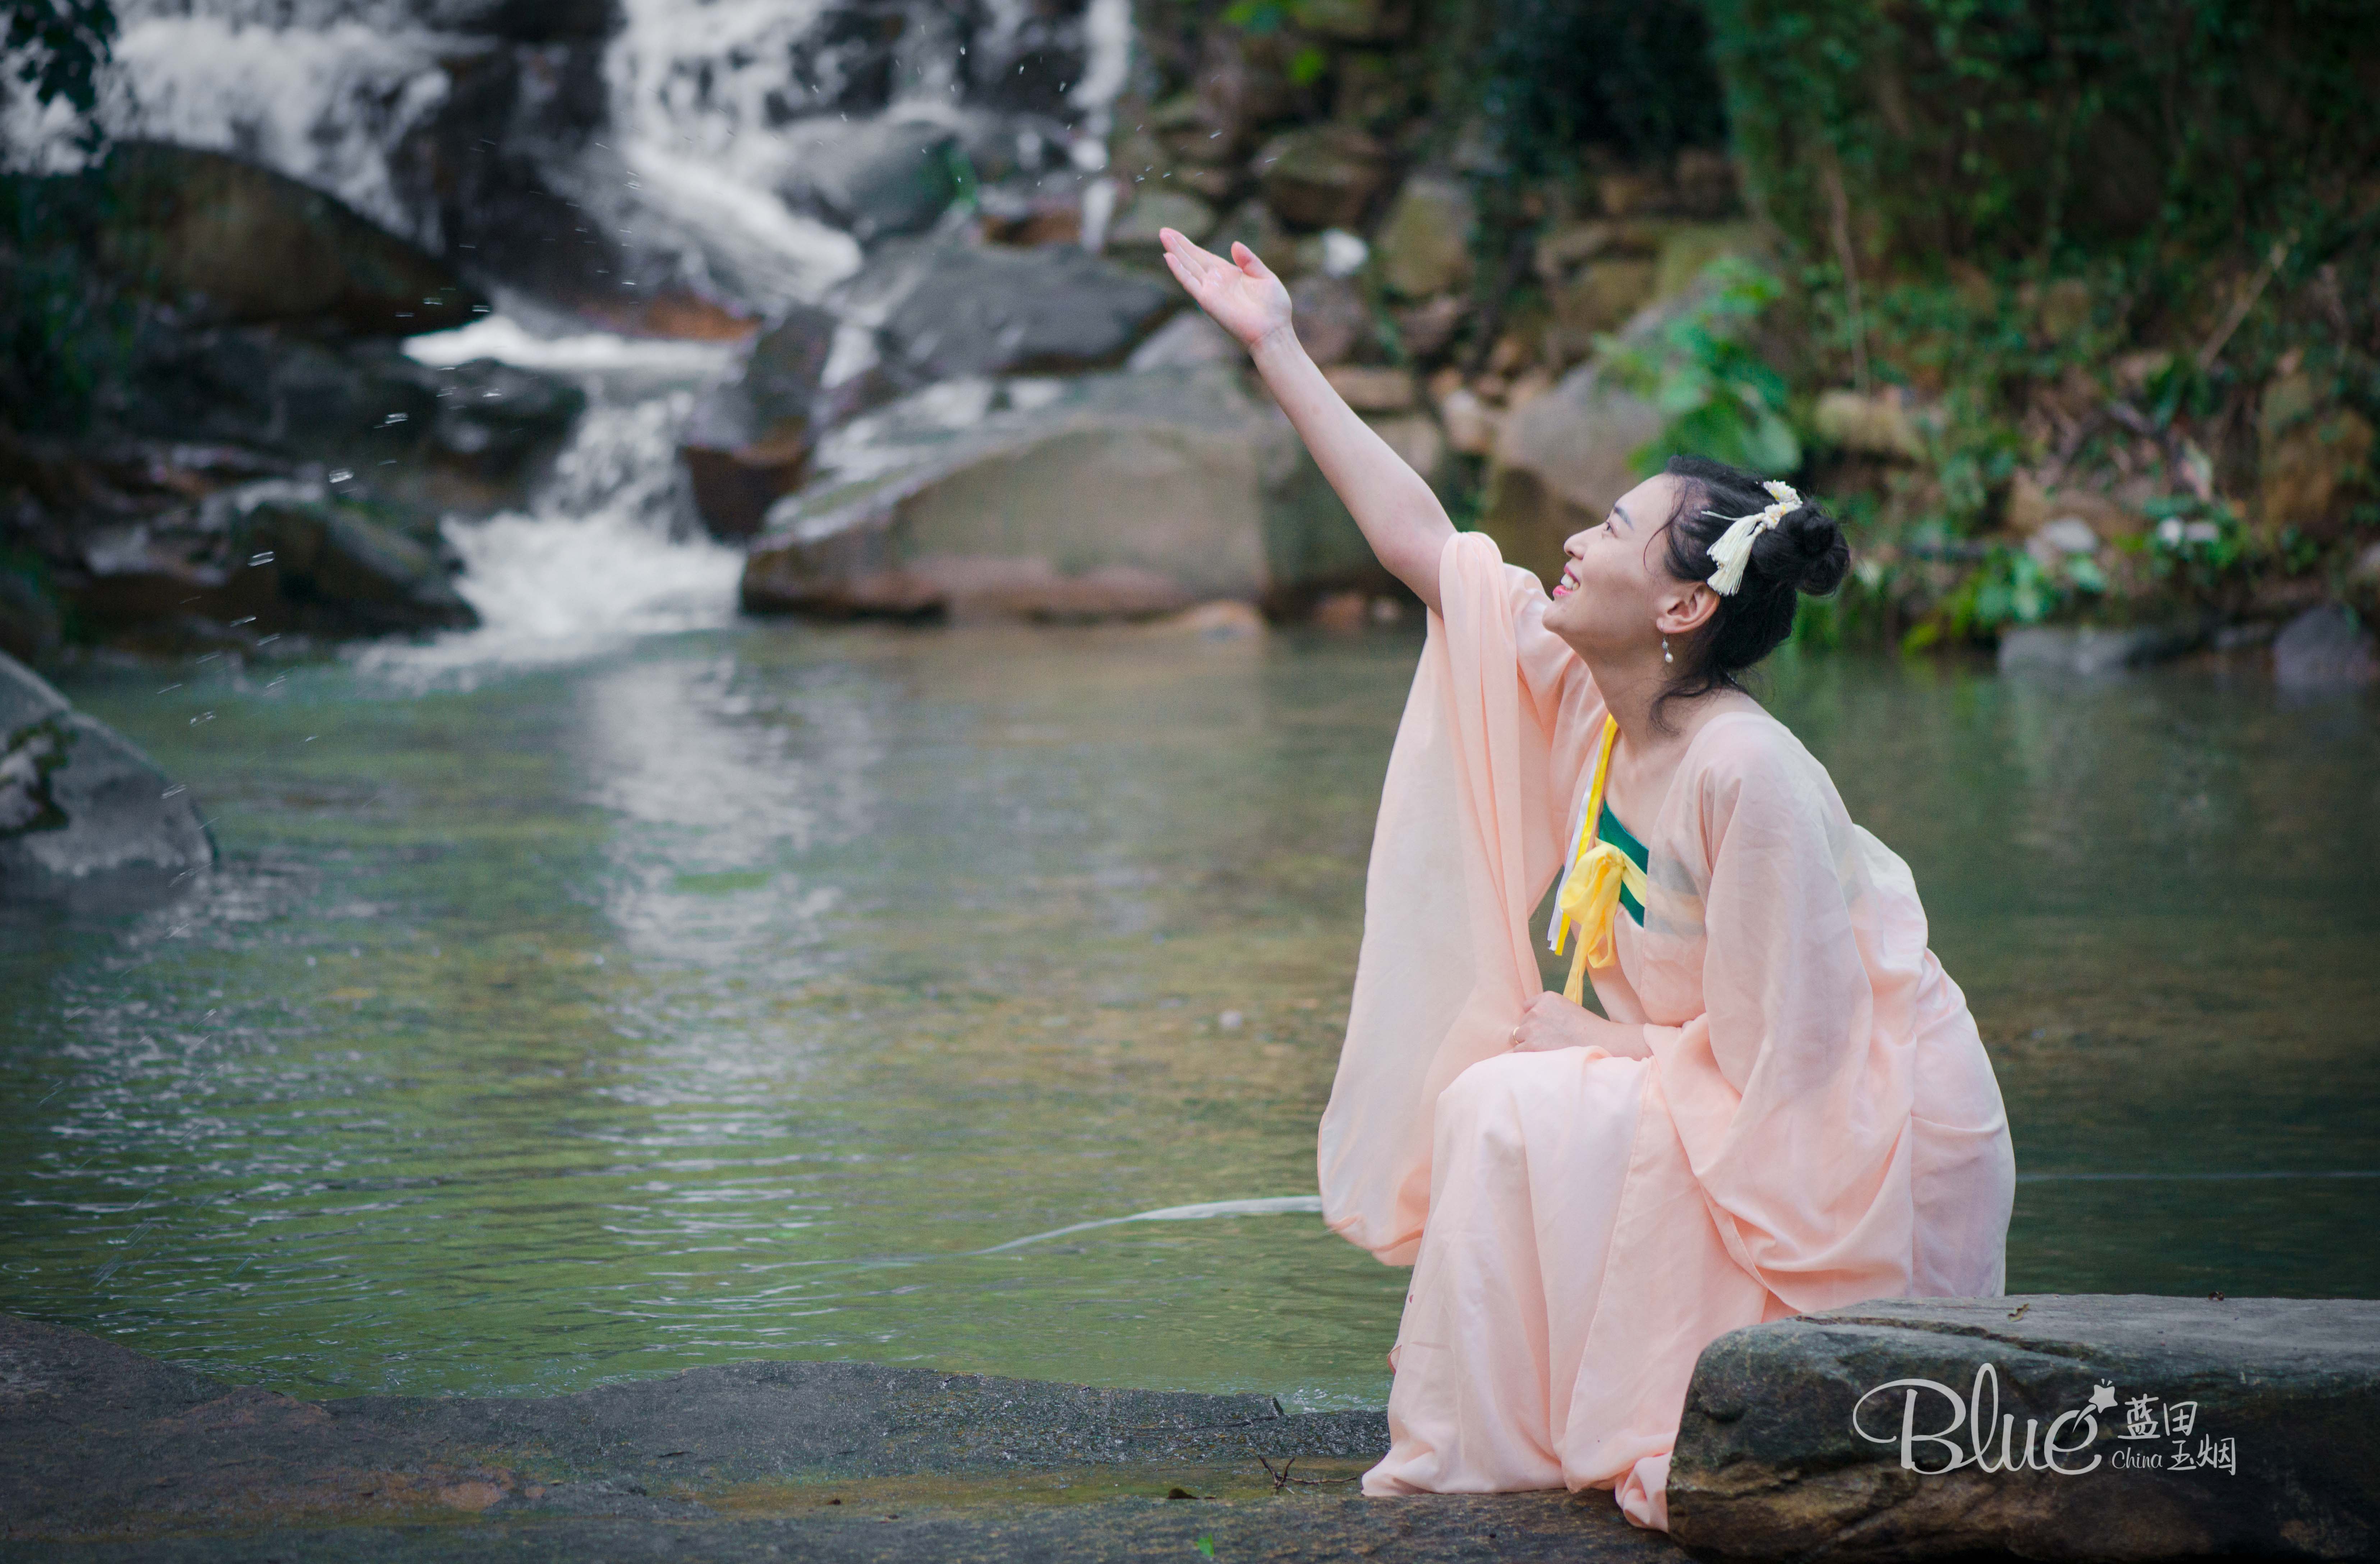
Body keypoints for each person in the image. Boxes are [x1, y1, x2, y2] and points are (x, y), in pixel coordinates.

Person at [1158, 228, 2016, 1528]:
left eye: (1613, 529)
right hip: (1729, 1089)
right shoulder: (1595, 699)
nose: (1571, 539)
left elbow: (1809, 1070)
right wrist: (1276, 342)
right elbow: (1421, 545)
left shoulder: (1749, 774)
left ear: (1681, 610)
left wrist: (1606, 1053)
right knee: (1501, 1092)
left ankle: (1495, 1445)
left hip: (1871, 1139)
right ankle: (1490, 1440)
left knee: (1508, 1100)